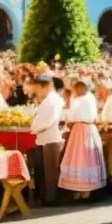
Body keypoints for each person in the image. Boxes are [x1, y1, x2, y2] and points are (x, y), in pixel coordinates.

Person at [59, 81, 106, 196]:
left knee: (82, 157)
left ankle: (85, 188)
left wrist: (67, 116)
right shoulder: (88, 98)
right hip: (85, 128)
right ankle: (82, 188)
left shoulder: (80, 100)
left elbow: (71, 116)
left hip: (81, 128)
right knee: (82, 156)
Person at [29, 69, 63, 205]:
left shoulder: (53, 100)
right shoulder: (47, 100)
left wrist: (34, 128)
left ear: (46, 86)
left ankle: (52, 197)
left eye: (38, 88)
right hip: (44, 138)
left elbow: (48, 120)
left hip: (51, 138)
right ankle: (45, 196)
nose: (37, 91)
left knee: (51, 170)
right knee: (45, 170)